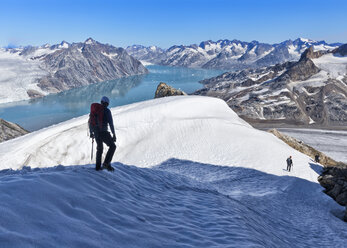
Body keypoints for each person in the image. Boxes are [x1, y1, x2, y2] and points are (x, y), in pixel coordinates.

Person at [90, 96, 116, 171]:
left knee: (100, 148)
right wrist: (114, 134)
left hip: (96, 132)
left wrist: (91, 132)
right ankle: (106, 163)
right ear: (107, 104)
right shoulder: (107, 111)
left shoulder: (95, 110)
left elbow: (90, 122)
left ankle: (98, 167)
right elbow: (111, 124)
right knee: (112, 146)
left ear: (101, 101)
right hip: (103, 132)